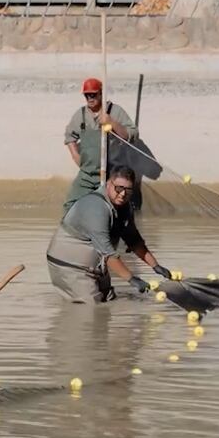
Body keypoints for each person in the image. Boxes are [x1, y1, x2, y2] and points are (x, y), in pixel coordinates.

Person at [45, 164, 173, 303]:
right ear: (108, 184)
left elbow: (134, 240)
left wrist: (156, 266)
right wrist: (132, 279)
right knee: (91, 309)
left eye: (128, 190)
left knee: (109, 300)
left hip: (96, 267)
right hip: (70, 266)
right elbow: (108, 253)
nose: (123, 194)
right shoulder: (96, 208)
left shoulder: (125, 207)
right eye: (119, 188)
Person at [61, 77, 140, 216]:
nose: (90, 98)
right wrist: (76, 156)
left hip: (112, 174)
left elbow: (132, 135)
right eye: (87, 95)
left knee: (119, 210)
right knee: (69, 206)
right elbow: (69, 137)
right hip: (87, 174)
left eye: (93, 94)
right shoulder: (81, 115)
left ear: (101, 93)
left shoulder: (115, 111)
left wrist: (112, 122)